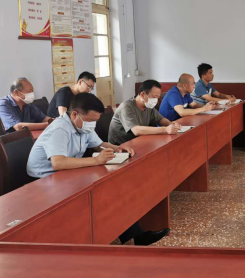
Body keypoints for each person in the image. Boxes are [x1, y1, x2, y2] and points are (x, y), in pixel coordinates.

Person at [26, 93, 169, 246]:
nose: (92, 125)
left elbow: (97, 144)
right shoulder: (60, 129)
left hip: (66, 173)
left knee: (114, 186)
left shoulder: (81, 125)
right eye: (90, 121)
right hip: (44, 180)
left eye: (95, 121)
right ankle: (122, 237)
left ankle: (136, 235)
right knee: (104, 192)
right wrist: (96, 160)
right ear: (75, 114)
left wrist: (116, 148)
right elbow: (58, 162)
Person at [109, 79, 181, 145]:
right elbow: (136, 130)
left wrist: (171, 124)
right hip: (120, 146)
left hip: (139, 141)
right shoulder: (127, 107)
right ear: (143, 94)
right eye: (154, 97)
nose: (155, 100)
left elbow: (160, 119)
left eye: (157, 97)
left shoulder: (148, 106)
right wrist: (165, 129)